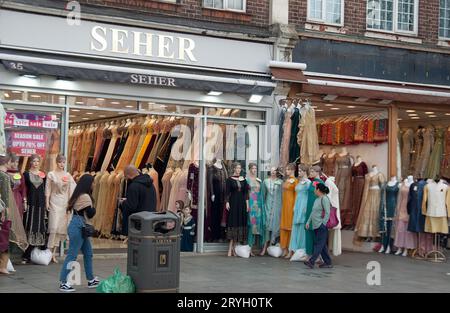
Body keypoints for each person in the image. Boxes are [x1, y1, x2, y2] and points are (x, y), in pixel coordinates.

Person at [59, 174, 99, 292]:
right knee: (72, 254)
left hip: (80, 226)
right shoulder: (85, 196)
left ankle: (91, 279)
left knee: (88, 253)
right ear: (88, 184)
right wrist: (94, 207)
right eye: (93, 182)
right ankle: (63, 282)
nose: (94, 184)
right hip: (78, 226)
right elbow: (91, 213)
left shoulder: (79, 195)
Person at [46, 155, 76, 263]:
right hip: (54, 202)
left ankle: (53, 253)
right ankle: (48, 252)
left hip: (64, 203)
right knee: (53, 227)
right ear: (56, 162)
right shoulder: (51, 174)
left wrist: (70, 205)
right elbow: (48, 189)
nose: (62, 164)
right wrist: (47, 203)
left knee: (60, 229)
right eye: (60, 162)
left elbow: (72, 190)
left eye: (63, 162)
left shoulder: (68, 175)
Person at [22, 154, 47, 264]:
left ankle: (39, 253)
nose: (36, 163)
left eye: (37, 161)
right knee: (30, 226)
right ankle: (27, 253)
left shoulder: (43, 175)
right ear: (30, 162)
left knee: (40, 227)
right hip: (31, 205)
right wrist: (24, 201)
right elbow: (23, 189)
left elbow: (45, 191)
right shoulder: (26, 174)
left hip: (40, 205)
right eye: (34, 161)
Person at [120, 165, 156, 235]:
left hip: (137, 223)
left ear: (128, 175)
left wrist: (123, 202)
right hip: (149, 219)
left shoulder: (134, 186)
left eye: (125, 176)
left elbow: (131, 206)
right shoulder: (151, 184)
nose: (125, 178)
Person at [304, 183, 333, 269]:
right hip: (316, 225)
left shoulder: (324, 199)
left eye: (315, 189)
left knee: (319, 245)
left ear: (318, 190)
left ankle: (311, 261)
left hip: (321, 226)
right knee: (322, 245)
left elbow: (328, 212)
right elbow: (313, 212)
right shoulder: (317, 199)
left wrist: (323, 224)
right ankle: (328, 263)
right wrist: (308, 222)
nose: (314, 190)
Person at [225, 162, 249, 257]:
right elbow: (227, 192)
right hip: (233, 203)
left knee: (239, 224)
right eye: (237, 168)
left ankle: (234, 249)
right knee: (233, 223)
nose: (239, 170)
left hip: (242, 204)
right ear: (234, 169)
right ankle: (229, 248)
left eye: (240, 168)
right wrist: (227, 202)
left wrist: (247, 204)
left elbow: (246, 193)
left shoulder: (243, 179)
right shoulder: (229, 179)